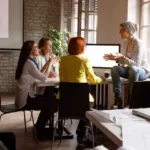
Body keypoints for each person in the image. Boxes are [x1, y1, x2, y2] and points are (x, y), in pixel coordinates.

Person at [57, 37, 104, 148]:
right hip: (81, 100)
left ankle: (81, 135)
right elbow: (93, 80)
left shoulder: (62, 59)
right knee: (89, 108)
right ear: (82, 47)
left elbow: (62, 79)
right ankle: (82, 136)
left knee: (83, 107)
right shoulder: (84, 60)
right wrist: (101, 78)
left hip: (64, 99)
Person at [15, 40, 58, 140]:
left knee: (51, 101)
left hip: (26, 98)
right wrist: (51, 63)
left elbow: (39, 73)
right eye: (35, 47)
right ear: (30, 50)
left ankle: (38, 127)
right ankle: (39, 129)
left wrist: (47, 63)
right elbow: (43, 78)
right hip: (26, 101)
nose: (38, 49)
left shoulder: (29, 61)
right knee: (53, 104)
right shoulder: (29, 63)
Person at [104, 21, 150, 109]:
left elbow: (136, 64)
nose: (119, 32)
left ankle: (132, 100)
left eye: (122, 30)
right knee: (115, 69)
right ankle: (118, 98)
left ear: (129, 31)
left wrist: (122, 57)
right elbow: (126, 61)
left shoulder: (139, 43)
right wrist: (116, 59)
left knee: (133, 70)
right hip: (131, 70)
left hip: (143, 71)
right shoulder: (126, 43)